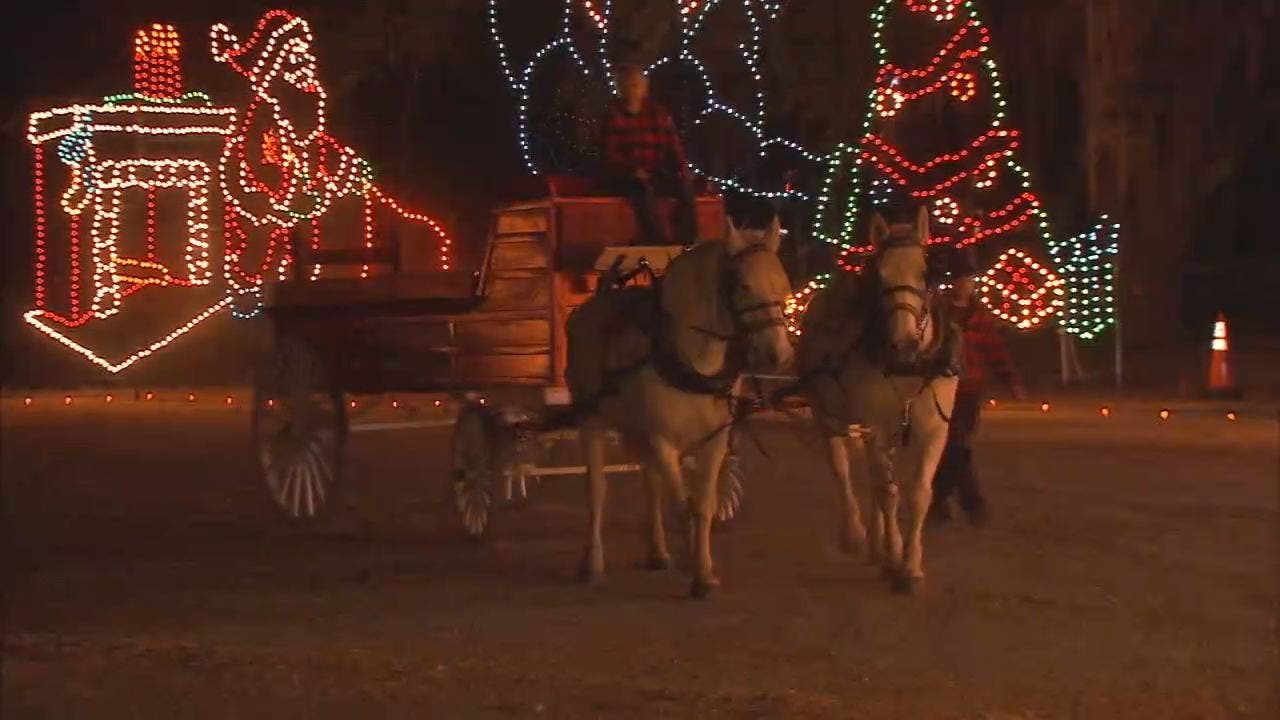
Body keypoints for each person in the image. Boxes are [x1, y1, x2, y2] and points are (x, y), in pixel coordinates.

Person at [928, 248, 1026, 527]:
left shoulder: (980, 316)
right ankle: (972, 503)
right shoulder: (940, 313)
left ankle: (938, 500)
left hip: (971, 389)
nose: (965, 285)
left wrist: (1011, 379)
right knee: (957, 446)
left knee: (956, 447)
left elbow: (994, 350)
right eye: (961, 279)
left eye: (969, 279)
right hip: (944, 387)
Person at [599, 62, 698, 246]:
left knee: (684, 185)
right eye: (626, 86)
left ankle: (688, 239)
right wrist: (631, 169)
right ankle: (658, 241)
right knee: (641, 187)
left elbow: (674, 149)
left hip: (655, 172)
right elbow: (610, 156)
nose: (632, 90)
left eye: (636, 85)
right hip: (626, 177)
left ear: (645, 88)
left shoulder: (659, 114)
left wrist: (682, 171)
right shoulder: (613, 116)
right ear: (619, 89)